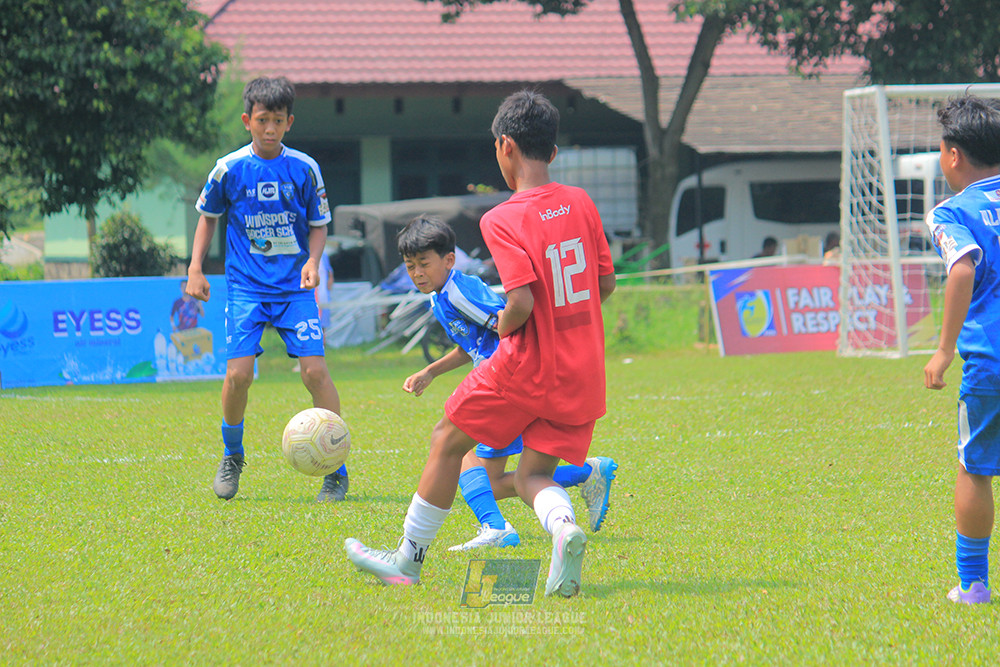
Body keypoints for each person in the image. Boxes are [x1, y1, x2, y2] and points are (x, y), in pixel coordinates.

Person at [345, 90, 616, 597]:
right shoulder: (581, 203)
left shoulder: (502, 218)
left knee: (447, 441)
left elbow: (519, 304)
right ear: (553, 152)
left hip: (525, 364)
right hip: (583, 368)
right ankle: (563, 529)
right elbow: (604, 286)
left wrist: (509, 335)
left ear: (504, 146)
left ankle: (407, 560)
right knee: (534, 473)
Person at [396, 215, 618, 551]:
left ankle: (494, 526)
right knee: (490, 481)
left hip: (506, 383)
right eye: (410, 266)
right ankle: (585, 474)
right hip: (501, 379)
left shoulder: (458, 292)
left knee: (456, 450)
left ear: (449, 259)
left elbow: (504, 322)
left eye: (423, 264)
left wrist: (504, 370)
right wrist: (431, 372)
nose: (417, 273)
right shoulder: (441, 296)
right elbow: (471, 344)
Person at [186, 76, 348, 503]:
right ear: (247, 121)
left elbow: (318, 224)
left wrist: (313, 262)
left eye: (278, 120)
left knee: (315, 372)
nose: (270, 129)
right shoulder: (229, 168)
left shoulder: (305, 168)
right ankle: (232, 455)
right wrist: (196, 267)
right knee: (238, 376)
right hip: (245, 289)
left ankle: (336, 465)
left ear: (289, 121)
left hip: (294, 290)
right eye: (262, 120)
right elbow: (208, 216)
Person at [923, 93, 1000, 605]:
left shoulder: (953, 211)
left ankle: (973, 584)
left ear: (953, 155)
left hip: (990, 365)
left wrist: (944, 349)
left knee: (975, 466)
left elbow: (963, 268)